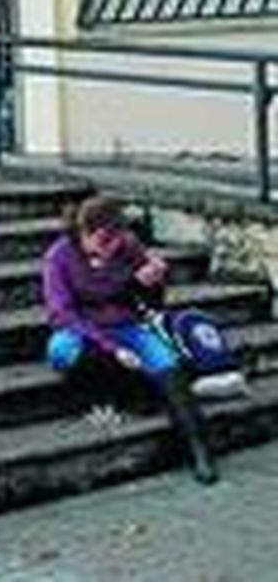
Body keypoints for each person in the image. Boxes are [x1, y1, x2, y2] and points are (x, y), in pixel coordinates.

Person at [42, 194, 217, 484]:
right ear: (88, 233)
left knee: (167, 363)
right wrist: (111, 349)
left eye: (116, 241)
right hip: (84, 329)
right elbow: (61, 314)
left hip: (126, 323)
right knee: (61, 349)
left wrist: (154, 281)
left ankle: (199, 451)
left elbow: (149, 303)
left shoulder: (128, 245)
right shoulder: (59, 256)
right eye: (104, 242)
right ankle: (126, 393)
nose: (112, 249)